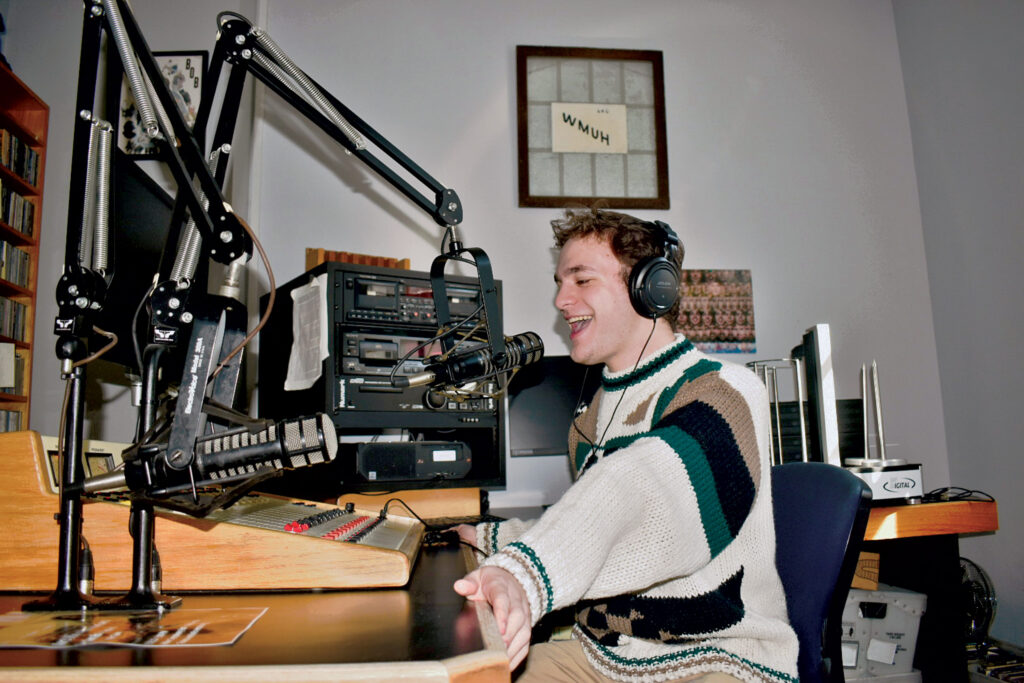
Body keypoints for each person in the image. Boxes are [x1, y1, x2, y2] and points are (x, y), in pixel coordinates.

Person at [453, 207, 798, 682]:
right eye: (559, 282)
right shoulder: (591, 417)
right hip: (605, 655)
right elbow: (603, 531)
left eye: (581, 280)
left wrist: (525, 573)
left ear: (651, 288)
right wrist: (490, 538)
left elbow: (647, 490)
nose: (560, 299)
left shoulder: (727, 392)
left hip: (719, 657)